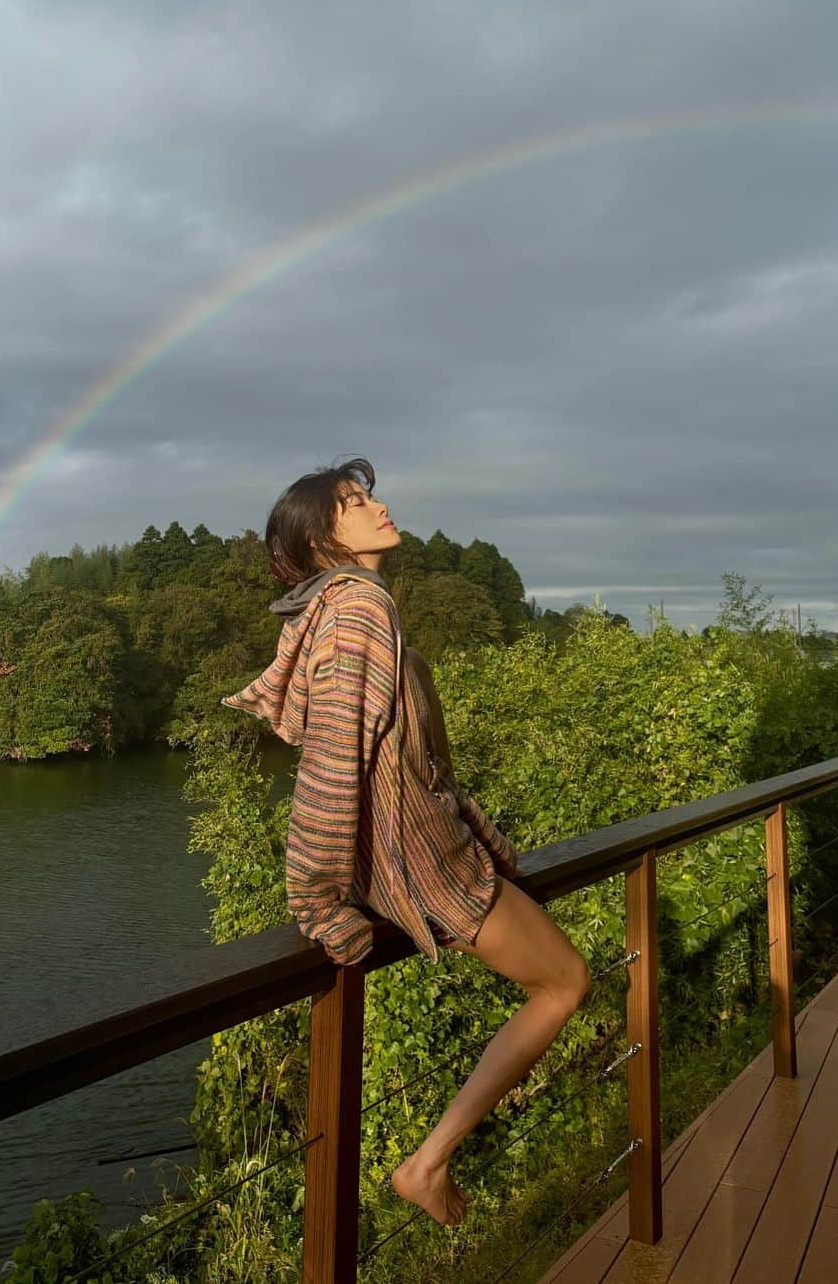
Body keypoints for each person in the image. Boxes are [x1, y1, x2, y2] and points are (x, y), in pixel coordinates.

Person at [221, 457, 590, 1229]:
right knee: (564, 983)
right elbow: (329, 767)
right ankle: (427, 1161)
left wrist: (489, 843)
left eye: (369, 495)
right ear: (326, 537)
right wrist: (315, 900)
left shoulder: (353, 611)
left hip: (424, 855)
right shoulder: (358, 613)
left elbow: (423, 767)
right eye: (357, 502)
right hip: (422, 868)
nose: (379, 506)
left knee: (557, 976)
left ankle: (428, 1160)